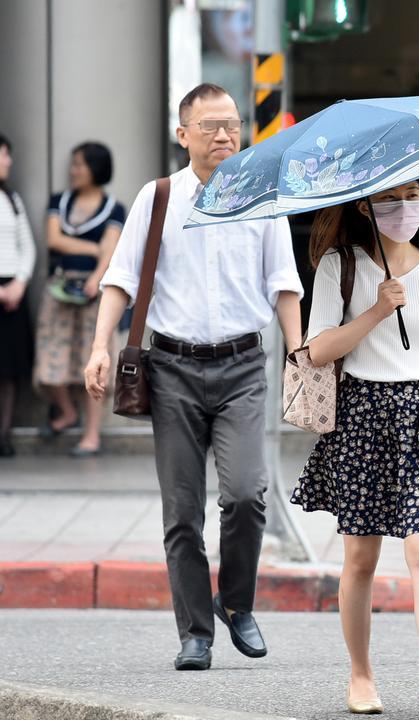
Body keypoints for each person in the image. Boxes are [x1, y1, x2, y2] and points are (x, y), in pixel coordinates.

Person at [84, 83, 303, 671]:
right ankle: (195, 633)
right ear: (183, 135)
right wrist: (100, 345)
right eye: (210, 126)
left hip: (242, 369)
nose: (225, 135)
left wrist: (299, 352)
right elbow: (120, 281)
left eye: (232, 124)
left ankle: (236, 603)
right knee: (182, 511)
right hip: (173, 369)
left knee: (246, 495)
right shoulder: (156, 199)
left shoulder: (261, 198)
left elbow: (284, 283)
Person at [291, 181, 419, 717]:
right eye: (392, 199)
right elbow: (315, 349)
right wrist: (377, 310)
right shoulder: (342, 264)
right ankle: (360, 676)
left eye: (414, 196)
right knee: (361, 556)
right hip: (360, 414)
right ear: (366, 207)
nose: (406, 209)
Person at [36, 142, 125, 456]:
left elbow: (111, 249)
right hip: (59, 289)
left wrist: (96, 277)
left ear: (95, 169)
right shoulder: (59, 201)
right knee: (49, 356)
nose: (73, 170)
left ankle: (91, 435)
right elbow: (53, 239)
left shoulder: (114, 207)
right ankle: (67, 411)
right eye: (73, 164)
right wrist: (91, 248)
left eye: (79, 164)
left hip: (93, 294)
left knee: (94, 362)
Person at [0, 133, 35, 457]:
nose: (8, 161)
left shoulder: (12, 199)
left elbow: (27, 247)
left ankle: (4, 435)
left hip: (13, 292)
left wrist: (20, 282)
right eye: (4, 155)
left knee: (9, 370)